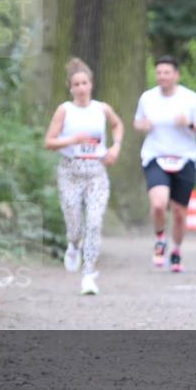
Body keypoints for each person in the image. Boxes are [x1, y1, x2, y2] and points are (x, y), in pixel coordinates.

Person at [43, 58, 124, 295]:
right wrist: (72, 140)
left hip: (96, 172)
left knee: (95, 222)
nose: (81, 88)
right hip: (70, 171)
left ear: (91, 84)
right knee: (75, 223)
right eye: (76, 84)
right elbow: (49, 142)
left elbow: (117, 125)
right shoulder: (64, 110)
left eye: (84, 83)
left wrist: (116, 147)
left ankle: (89, 274)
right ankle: (73, 243)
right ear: (70, 87)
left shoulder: (102, 109)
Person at [133, 56, 196, 273]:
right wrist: (143, 125)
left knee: (179, 212)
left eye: (166, 72)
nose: (162, 76)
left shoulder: (191, 99)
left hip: (184, 158)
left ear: (176, 75)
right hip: (155, 156)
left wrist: (189, 123)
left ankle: (176, 250)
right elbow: (137, 122)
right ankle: (160, 239)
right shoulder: (147, 98)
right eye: (159, 72)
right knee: (159, 203)